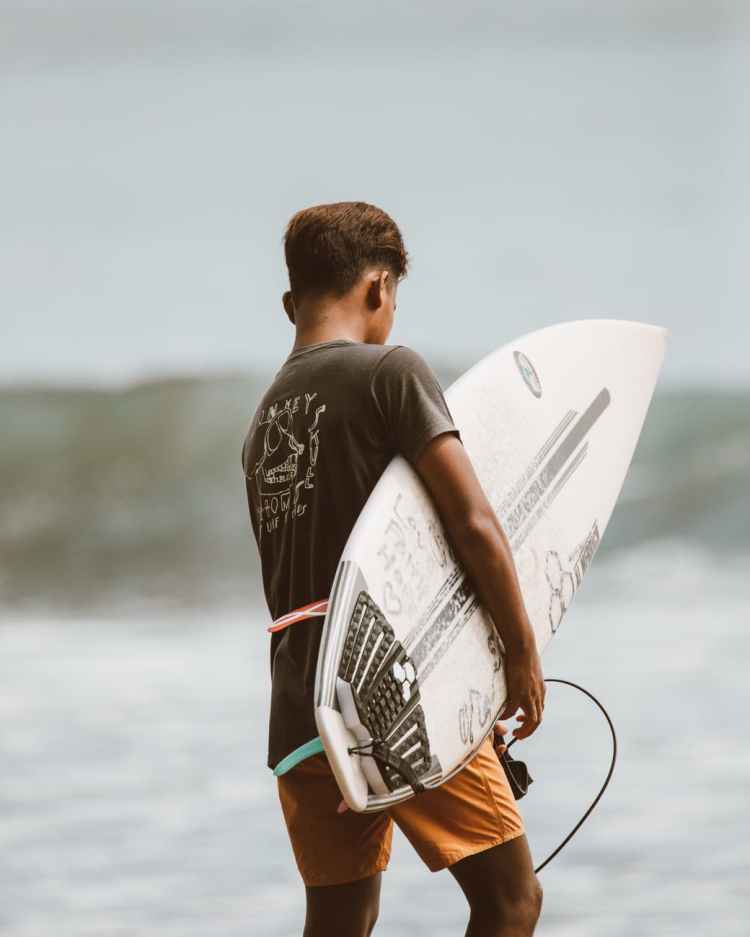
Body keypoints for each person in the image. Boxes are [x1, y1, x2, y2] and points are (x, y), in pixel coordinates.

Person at [241, 201, 546, 937]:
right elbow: (472, 522)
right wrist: (519, 650)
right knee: (511, 899)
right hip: (393, 693)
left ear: (290, 302)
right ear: (379, 287)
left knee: (341, 918)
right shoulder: (390, 371)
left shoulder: (264, 421)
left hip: (300, 709)